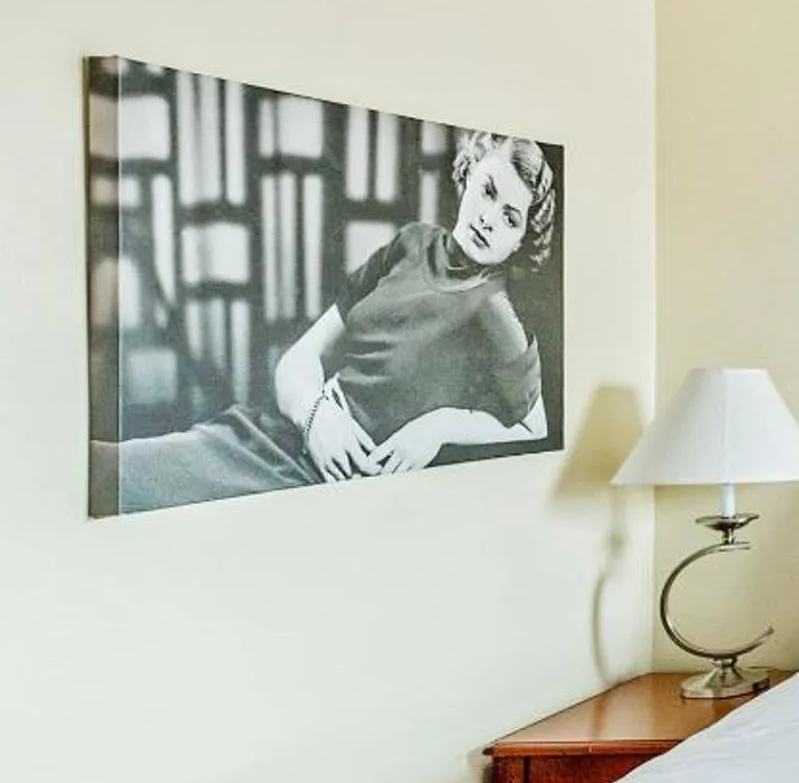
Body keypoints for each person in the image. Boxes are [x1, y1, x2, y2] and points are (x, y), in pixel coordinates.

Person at [102, 131, 557, 513]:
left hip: (325, 485)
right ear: (471, 170)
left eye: (510, 218)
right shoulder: (412, 243)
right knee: (109, 469)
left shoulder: (494, 308)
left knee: (118, 489)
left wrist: (438, 426)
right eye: (489, 191)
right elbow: (297, 359)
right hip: (280, 435)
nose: (487, 218)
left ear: (520, 239)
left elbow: (534, 424)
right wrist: (315, 416)